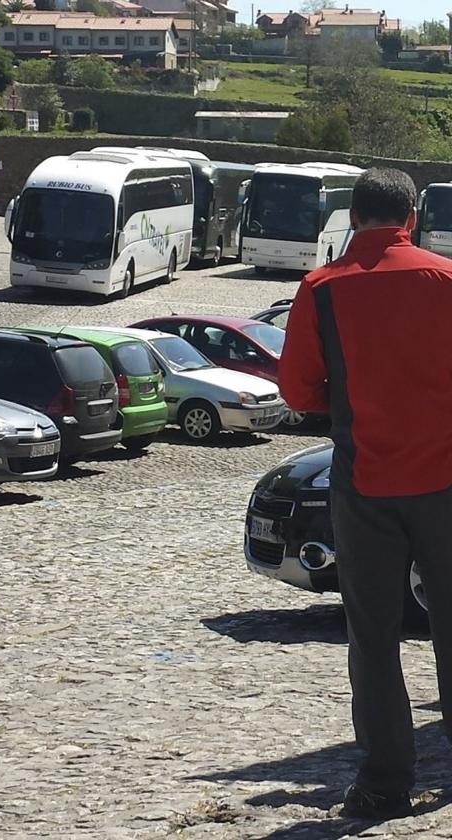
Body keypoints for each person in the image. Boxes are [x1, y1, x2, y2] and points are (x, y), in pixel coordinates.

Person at [279, 167, 452, 820]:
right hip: (446, 481)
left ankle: (385, 782)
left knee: (373, 639)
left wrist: (346, 404)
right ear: (411, 217)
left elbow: (297, 391)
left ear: (352, 218)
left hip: (365, 484)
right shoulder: (447, 281)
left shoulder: (321, 289)